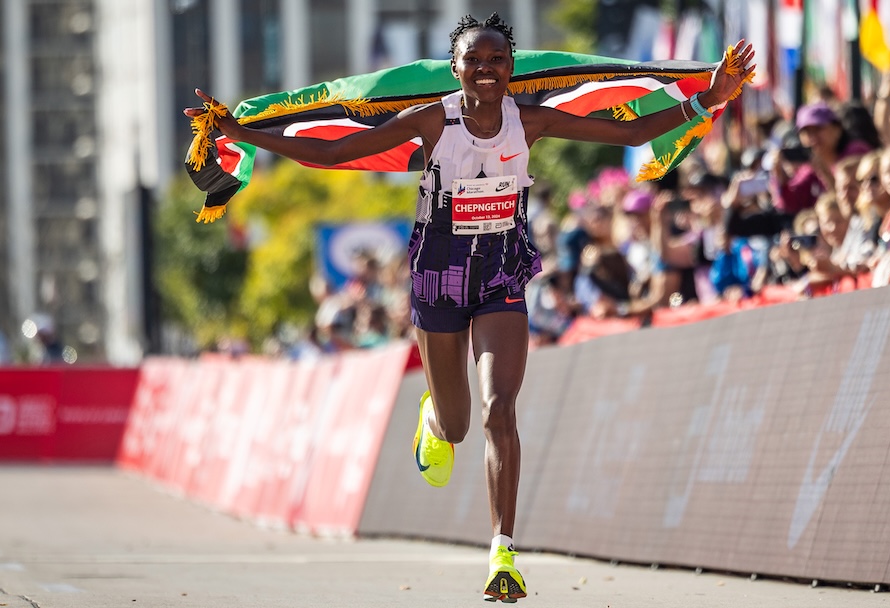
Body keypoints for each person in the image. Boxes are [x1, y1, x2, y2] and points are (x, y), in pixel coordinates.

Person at [185, 13, 754, 603]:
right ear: (455, 70)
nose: (485, 70)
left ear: (512, 71)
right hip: (439, 275)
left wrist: (707, 99)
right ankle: (435, 414)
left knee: (499, 409)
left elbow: (628, 135)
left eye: (496, 61)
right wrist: (243, 133)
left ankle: (502, 554)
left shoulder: (527, 121)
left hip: (502, 272)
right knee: (457, 427)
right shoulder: (433, 119)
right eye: (473, 61)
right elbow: (341, 150)